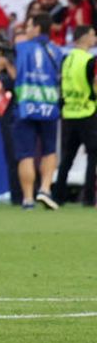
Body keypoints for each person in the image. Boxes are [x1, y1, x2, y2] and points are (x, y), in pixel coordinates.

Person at [11, 13, 64, 211]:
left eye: (29, 25)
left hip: (25, 105)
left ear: (37, 28)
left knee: (26, 153)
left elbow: (15, 74)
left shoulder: (21, 48)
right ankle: (44, 188)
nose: (27, 29)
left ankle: (27, 199)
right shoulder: (57, 51)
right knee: (50, 150)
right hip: (49, 105)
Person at [56, 24, 97, 206]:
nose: (94, 38)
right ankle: (88, 197)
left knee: (67, 156)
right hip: (87, 111)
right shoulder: (89, 60)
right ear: (85, 37)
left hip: (69, 113)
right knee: (93, 155)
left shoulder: (67, 58)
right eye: (93, 34)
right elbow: (93, 84)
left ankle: (58, 195)